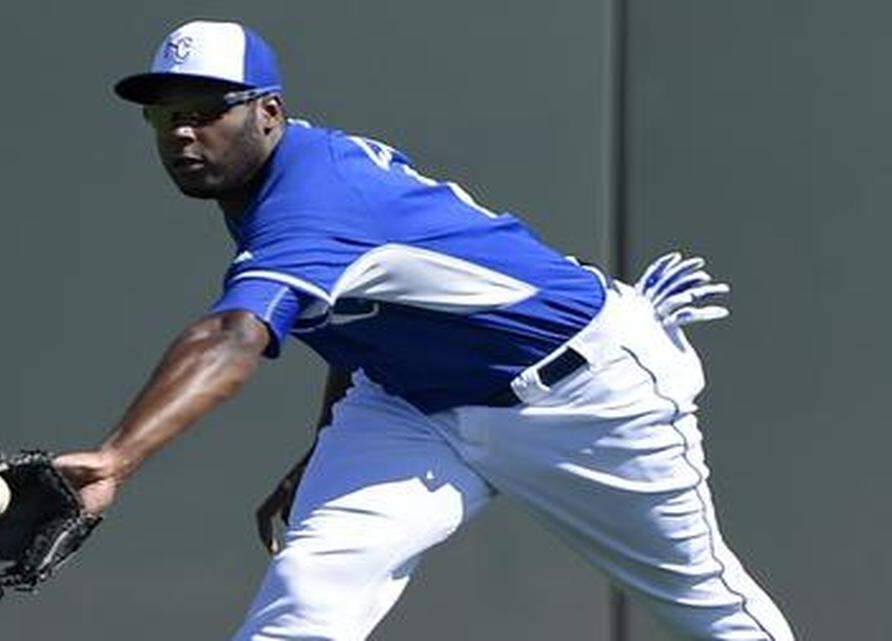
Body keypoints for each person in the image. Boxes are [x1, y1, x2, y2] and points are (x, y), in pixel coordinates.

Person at [53, 20, 794, 641]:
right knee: (312, 584)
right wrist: (324, 444)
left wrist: (119, 457)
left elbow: (232, 338)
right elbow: (368, 313)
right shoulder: (273, 178)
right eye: (164, 113)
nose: (182, 131)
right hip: (410, 402)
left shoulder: (316, 199)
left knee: (707, 608)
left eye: (207, 109)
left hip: (585, 395)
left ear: (268, 112)